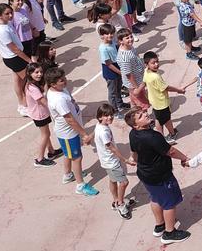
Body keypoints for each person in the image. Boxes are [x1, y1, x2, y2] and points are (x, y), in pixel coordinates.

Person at [125, 108, 191, 244]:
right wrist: (184, 158)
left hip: (145, 175)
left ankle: (159, 225)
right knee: (169, 204)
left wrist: (141, 163)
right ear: (136, 125)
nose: (146, 114)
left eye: (143, 113)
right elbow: (170, 151)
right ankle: (169, 233)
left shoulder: (133, 134)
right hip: (161, 176)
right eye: (141, 116)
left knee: (155, 198)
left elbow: (134, 153)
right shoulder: (153, 136)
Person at [45, 67, 99, 196]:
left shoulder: (60, 89)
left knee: (68, 154)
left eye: (64, 78)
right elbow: (69, 119)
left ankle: (69, 174)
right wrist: (84, 134)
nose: (65, 81)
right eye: (61, 80)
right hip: (68, 133)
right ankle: (80, 185)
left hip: (69, 132)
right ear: (53, 84)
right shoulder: (58, 100)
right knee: (77, 157)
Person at [94, 103, 135, 219]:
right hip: (111, 161)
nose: (110, 117)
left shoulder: (99, 126)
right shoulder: (104, 132)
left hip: (106, 161)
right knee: (124, 182)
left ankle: (115, 200)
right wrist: (125, 160)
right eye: (106, 115)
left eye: (111, 115)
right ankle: (121, 204)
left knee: (112, 180)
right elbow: (111, 148)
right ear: (100, 117)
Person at [0, 3, 31, 116]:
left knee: (18, 81)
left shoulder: (7, 23)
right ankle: (26, 104)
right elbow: (15, 49)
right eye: (6, 14)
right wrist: (29, 61)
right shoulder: (1, 31)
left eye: (11, 12)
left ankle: (22, 104)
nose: (10, 15)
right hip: (14, 59)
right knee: (28, 82)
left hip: (13, 58)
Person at [24, 63, 62, 167]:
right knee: (45, 135)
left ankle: (51, 152)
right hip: (39, 114)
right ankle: (39, 159)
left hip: (41, 113)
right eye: (36, 72)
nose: (39, 74)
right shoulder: (32, 88)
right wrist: (56, 109)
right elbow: (42, 101)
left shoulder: (33, 84)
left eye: (41, 72)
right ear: (29, 73)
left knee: (46, 134)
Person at [117, 27, 149, 111]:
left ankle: (133, 116)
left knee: (134, 101)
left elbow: (136, 57)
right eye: (127, 38)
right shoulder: (124, 57)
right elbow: (128, 74)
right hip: (134, 83)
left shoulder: (130, 47)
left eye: (131, 36)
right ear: (121, 41)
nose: (130, 39)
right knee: (142, 104)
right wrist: (137, 88)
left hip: (138, 79)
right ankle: (143, 119)